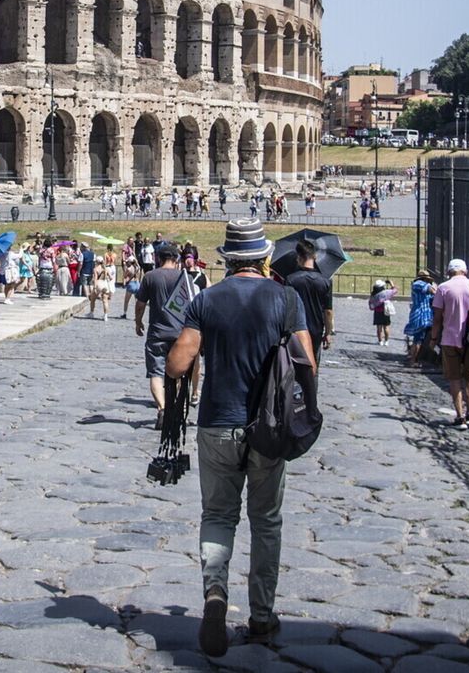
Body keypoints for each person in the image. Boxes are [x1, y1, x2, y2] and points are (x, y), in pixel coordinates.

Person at [167, 219, 314, 655]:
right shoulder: (286, 299)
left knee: (217, 515)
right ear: (265, 257)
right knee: (265, 521)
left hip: (216, 421)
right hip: (268, 425)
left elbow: (177, 365)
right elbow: (307, 364)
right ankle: (263, 618)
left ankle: (215, 593)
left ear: (228, 259)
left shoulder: (207, 299)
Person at [135, 243, 190, 428]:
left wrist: (138, 321)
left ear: (158, 259)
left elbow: (141, 303)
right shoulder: (184, 277)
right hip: (181, 333)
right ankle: (178, 409)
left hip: (157, 332)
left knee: (156, 373)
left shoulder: (150, 276)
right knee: (180, 373)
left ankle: (162, 408)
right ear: (176, 260)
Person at [432, 258, 469, 428]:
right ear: (465, 271)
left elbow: (437, 318)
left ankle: (460, 416)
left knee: (454, 378)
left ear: (449, 272)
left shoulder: (443, 288)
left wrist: (433, 338)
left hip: (450, 339)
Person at [282, 240, 333, 369]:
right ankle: (311, 389)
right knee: (312, 365)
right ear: (315, 256)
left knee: (292, 365)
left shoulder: (291, 279)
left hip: (295, 328)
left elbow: (286, 306)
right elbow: (328, 311)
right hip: (316, 328)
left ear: (298, 257)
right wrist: (328, 332)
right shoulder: (325, 281)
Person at [403, 270, 436, 368]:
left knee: (421, 339)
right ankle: (413, 360)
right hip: (420, 315)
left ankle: (418, 357)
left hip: (426, 315)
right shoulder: (418, 284)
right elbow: (433, 291)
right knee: (418, 339)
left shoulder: (424, 286)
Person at [369, 279, 395, 346]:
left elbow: (371, 303)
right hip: (385, 311)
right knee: (386, 327)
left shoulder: (373, 294)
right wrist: (391, 283)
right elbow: (394, 290)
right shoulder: (386, 293)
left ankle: (380, 341)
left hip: (377, 312)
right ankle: (386, 341)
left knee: (379, 327)